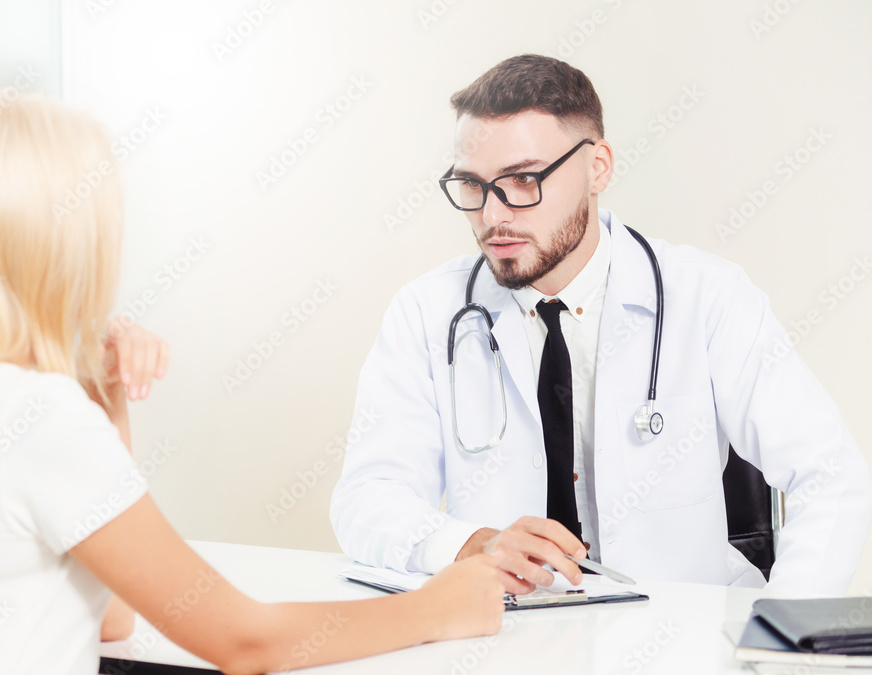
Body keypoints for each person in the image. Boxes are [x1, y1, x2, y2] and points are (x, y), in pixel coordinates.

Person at [0, 91, 506, 675]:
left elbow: (109, 614)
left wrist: (104, 395)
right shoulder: (35, 415)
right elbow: (244, 640)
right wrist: (436, 610)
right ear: (68, 242)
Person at [330, 54, 872, 596]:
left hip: (683, 632)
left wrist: (779, 632)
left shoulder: (708, 295)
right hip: (508, 634)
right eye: (473, 185)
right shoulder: (427, 312)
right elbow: (367, 497)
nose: (493, 216)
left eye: (522, 179)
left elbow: (829, 477)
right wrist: (471, 543)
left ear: (598, 167)